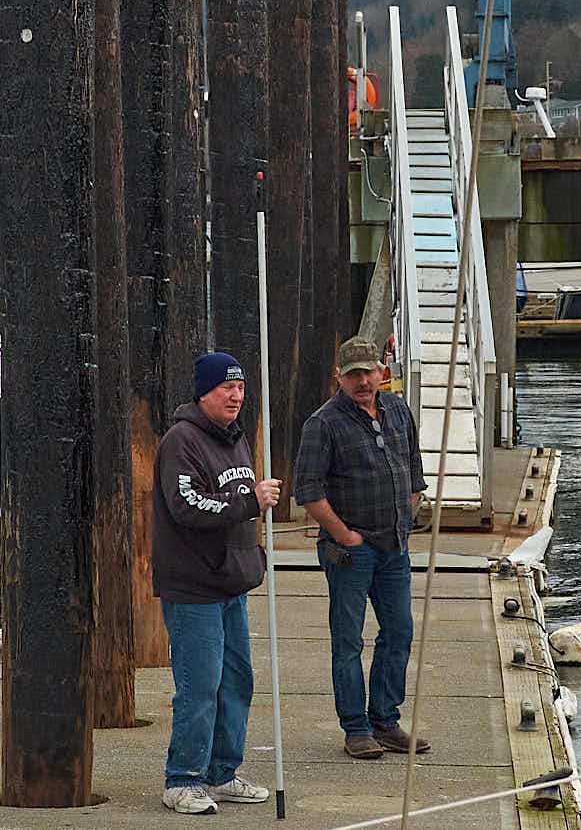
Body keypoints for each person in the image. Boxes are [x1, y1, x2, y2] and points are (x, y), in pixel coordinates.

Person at [152, 352, 281, 815]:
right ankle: (182, 778)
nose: (236, 396)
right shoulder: (181, 441)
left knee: (236, 682)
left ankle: (221, 773)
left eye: (241, 388)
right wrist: (249, 500)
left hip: (231, 584)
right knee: (199, 685)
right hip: (193, 588)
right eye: (227, 387)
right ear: (203, 391)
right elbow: (187, 503)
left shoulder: (236, 439)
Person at [294, 336, 430, 759]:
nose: (363, 380)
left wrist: (408, 513)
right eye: (354, 374)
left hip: (394, 544)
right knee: (348, 639)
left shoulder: (399, 411)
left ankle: (385, 720)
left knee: (400, 631)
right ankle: (356, 727)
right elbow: (308, 492)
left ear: (381, 372)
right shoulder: (323, 423)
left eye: (369, 372)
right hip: (352, 550)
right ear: (339, 377)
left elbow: (414, 471)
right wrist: (344, 534)